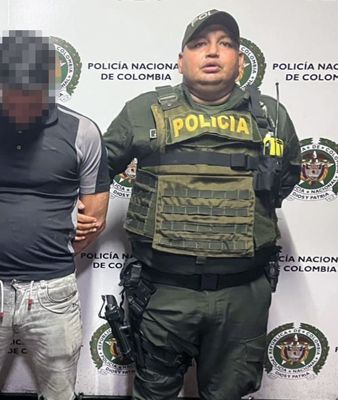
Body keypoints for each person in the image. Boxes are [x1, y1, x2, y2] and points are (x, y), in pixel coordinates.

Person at [99, 10, 301, 400]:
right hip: (163, 291)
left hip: (241, 295)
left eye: (225, 44)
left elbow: (285, 179)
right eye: (199, 44)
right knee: (154, 391)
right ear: (181, 60)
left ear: (240, 61)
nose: (212, 52)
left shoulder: (271, 116)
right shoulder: (143, 110)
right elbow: (97, 170)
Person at [0, 30, 110, 400]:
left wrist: (49, 252)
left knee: (60, 395)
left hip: (54, 293)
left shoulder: (82, 132)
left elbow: (94, 220)